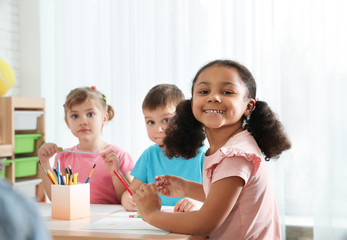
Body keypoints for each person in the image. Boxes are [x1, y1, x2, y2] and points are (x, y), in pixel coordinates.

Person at [132, 60, 291, 239]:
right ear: (192, 103)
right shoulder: (230, 147)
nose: (213, 97)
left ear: (248, 106)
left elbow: (205, 222)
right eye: (204, 91)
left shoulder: (235, 155)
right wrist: (186, 187)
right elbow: (227, 199)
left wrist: (151, 214)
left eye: (227, 92)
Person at [38, 86, 134, 204]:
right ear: (67, 122)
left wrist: (116, 173)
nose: (83, 121)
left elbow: (129, 198)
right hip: (76, 218)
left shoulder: (118, 155)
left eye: (90, 114)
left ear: (104, 118)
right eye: (75, 116)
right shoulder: (63, 156)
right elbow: (57, 199)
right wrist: (44, 162)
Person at [121, 84, 206, 212]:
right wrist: (127, 199)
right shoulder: (149, 155)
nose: (158, 129)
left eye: (166, 120)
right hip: (157, 222)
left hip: (190, 220)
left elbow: (216, 198)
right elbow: (131, 192)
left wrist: (198, 203)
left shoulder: (202, 155)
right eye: (151, 122)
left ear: (182, 118)